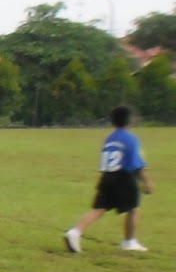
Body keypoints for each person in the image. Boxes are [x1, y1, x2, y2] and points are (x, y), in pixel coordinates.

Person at [65, 104, 155, 253]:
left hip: (107, 175)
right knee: (133, 208)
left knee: (99, 209)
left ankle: (75, 232)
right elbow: (136, 164)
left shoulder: (110, 138)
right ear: (130, 120)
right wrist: (147, 181)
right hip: (124, 177)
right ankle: (129, 241)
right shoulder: (131, 139)